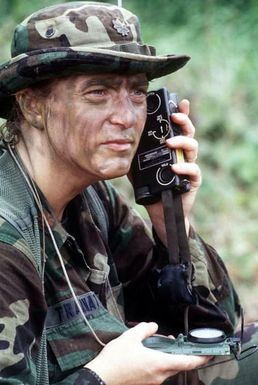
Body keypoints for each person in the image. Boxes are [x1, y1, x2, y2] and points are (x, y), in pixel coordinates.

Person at [0, 2, 257, 385]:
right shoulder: (8, 235)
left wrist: (172, 220)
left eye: (137, 93)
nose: (126, 117)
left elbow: (214, 330)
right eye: (98, 92)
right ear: (33, 105)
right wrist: (103, 378)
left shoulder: (93, 200)